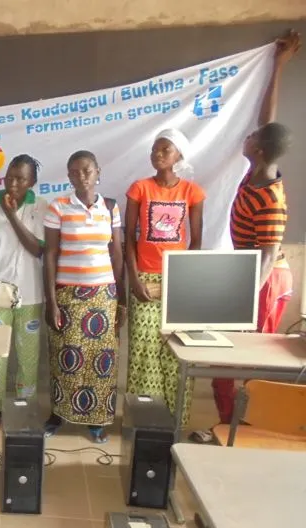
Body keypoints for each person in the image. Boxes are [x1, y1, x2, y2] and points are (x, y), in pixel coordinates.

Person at [196, 30, 300, 443]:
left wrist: (241, 299)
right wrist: (278, 65)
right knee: (227, 362)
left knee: (243, 360)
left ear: (257, 150)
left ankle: (245, 430)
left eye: (252, 138)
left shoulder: (270, 197)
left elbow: (269, 255)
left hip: (264, 280)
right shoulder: (257, 171)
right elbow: (267, 123)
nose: (248, 136)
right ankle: (229, 426)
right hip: (249, 274)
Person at [124, 129, 205, 427]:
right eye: (154, 150)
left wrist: (184, 279)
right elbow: (129, 238)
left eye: (165, 150)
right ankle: (144, 421)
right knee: (143, 352)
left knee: (176, 351)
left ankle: (175, 421)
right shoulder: (140, 189)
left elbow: (196, 240)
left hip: (177, 278)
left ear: (179, 155)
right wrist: (134, 280)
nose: (157, 155)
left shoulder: (192, 192)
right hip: (144, 277)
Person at [43, 151, 124, 443]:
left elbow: (117, 253)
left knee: (101, 360)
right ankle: (59, 414)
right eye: (75, 172)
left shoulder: (110, 207)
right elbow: (50, 255)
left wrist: (120, 299)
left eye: (87, 170)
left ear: (98, 171)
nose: (82, 176)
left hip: (103, 295)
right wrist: (51, 302)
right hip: (68, 295)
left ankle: (97, 420)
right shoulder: (58, 207)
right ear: (68, 176)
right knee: (65, 357)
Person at [0, 154, 46, 416]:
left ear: (31, 182)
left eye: (20, 179)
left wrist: (11, 215)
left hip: (30, 289)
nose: (12, 183)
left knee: (28, 357)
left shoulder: (40, 206)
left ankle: (24, 411)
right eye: (10, 176)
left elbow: (37, 248)